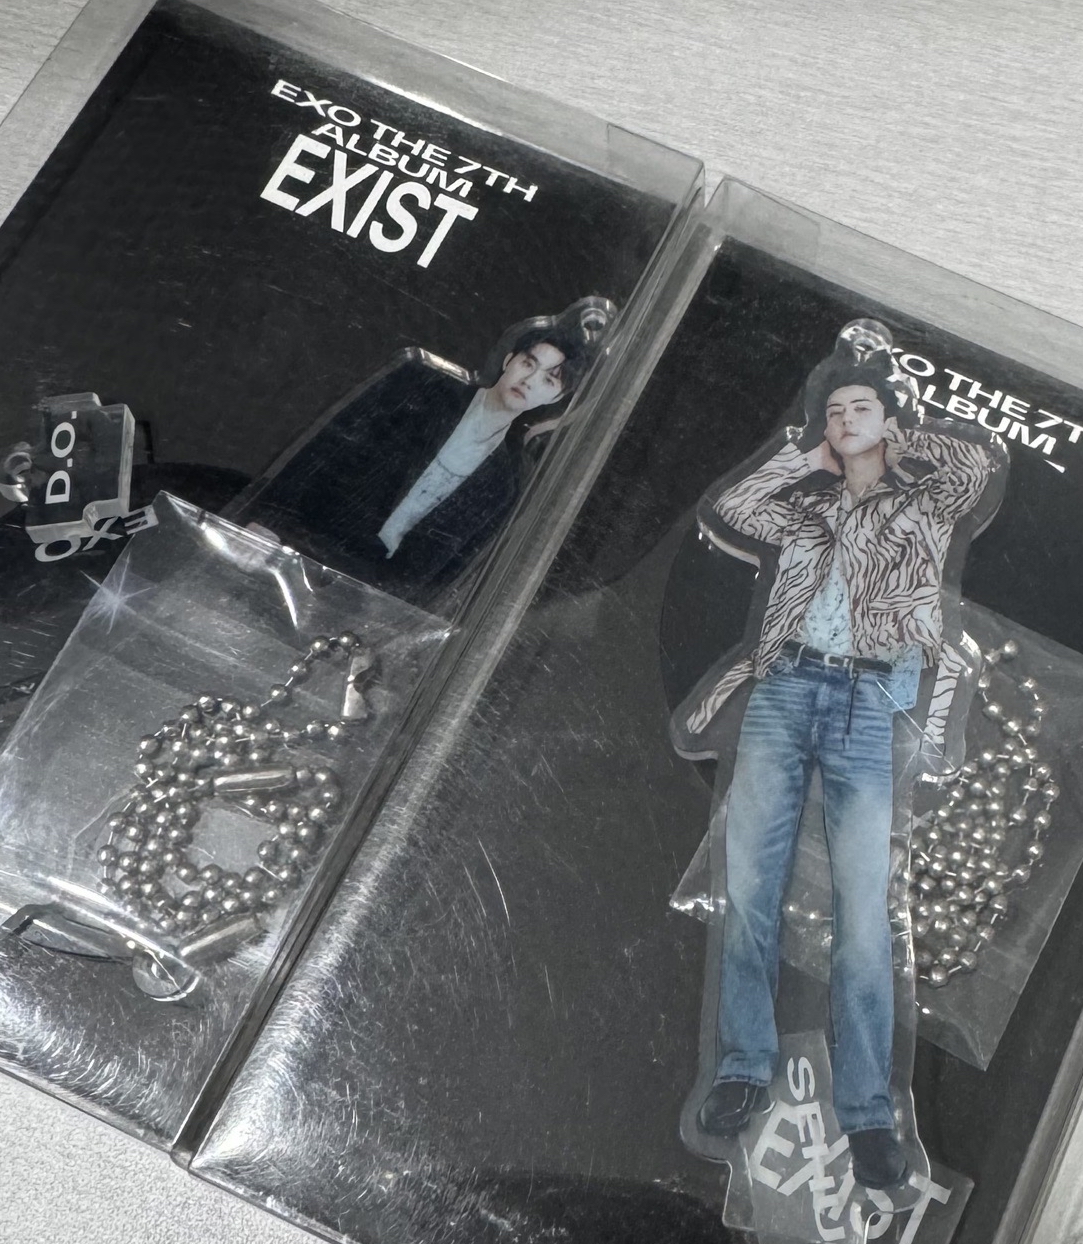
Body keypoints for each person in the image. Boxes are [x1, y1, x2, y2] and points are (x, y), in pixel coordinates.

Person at [676, 322, 1006, 1190]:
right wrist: (808, 451)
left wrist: (897, 427)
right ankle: (740, 1069)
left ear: (888, 420)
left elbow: (978, 467)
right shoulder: (807, 505)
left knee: (865, 911)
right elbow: (734, 510)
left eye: (860, 408)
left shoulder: (926, 502)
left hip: (871, 700)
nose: (845, 419)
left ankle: (866, 1113)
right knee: (751, 886)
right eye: (835, 411)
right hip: (785, 687)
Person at [233, 297, 613, 603]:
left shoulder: (509, 479)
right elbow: (326, 446)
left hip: (364, 596)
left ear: (557, 397)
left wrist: (391, 625)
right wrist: (267, 522)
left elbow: (447, 570)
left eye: (548, 380)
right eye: (529, 363)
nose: (529, 380)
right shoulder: (422, 387)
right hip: (295, 544)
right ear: (509, 360)